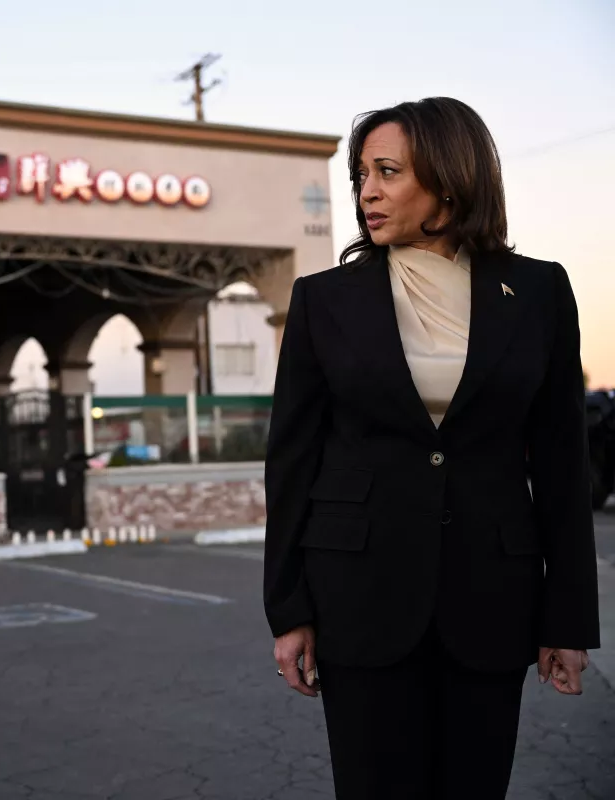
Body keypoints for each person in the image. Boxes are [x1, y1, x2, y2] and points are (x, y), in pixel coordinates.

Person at [263, 97, 600, 799]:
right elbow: (292, 463)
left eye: (387, 172)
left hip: (493, 597)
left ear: (448, 181)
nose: (367, 192)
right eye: (361, 175)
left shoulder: (539, 291)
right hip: (358, 597)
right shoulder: (325, 300)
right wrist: (288, 609)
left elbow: (565, 465)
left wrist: (568, 618)